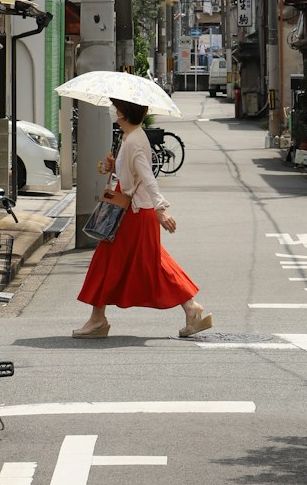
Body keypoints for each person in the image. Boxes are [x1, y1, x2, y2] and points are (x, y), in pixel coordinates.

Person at [72, 98, 212, 340]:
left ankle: (97, 320)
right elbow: (135, 174)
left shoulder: (134, 141)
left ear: (123, 112)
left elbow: (148, 177)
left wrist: (161, 208)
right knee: (155, 263)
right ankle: (191, 308)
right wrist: (114, 167)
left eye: (115, 107)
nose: (112, 110)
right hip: (137, 212)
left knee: (106, 262)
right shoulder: (132, 137)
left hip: (134, 214)